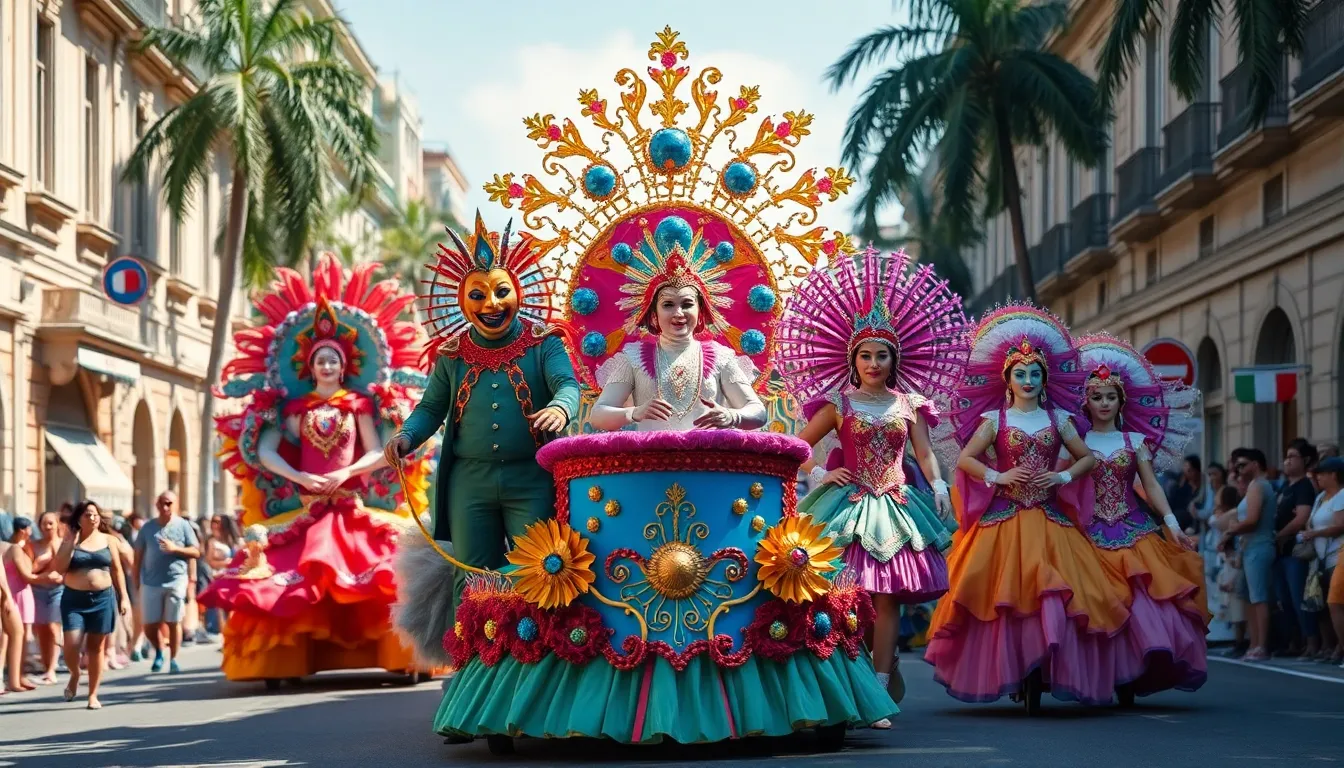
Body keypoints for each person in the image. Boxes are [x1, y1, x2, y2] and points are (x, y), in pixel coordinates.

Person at [202, 254, 433, 684]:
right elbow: (266, 450)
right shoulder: (293, 410)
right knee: (292, 577)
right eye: (320, 360)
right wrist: (301, 478)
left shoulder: (360, 406)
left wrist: (345, 475)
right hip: (308, 506)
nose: (327, 366)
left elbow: (381, 449)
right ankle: (287, 665)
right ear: (308, 367)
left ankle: (402, 658)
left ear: (345, 366)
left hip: (349, 505)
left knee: (382, 575)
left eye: (333, 360)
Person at [778, 248, 968, 719]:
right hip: (844, 507)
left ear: (894, 358)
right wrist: (823, 472)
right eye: (865, 354)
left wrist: (940, 487)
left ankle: (880, 690)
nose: (874, 362)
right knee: (843, 595)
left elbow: (923, 453)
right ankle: (852, 680)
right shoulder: (838, 404)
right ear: (853, 358)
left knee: (887, 600)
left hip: (897, 506)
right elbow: (797, 449)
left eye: (882, 354)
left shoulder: (910, 404)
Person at [388, 214, 580, 671]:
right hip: (468, 486)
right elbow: (430, 409)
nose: (491, 303)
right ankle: (469, 678)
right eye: (478, 294)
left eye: (500, 291)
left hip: (531, 479)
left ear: (519, 292)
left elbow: (567, 385)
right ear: (461, 300)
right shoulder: (451, 356)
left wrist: (562, 408)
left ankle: (540, 674)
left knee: (540, 572)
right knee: (470, 580)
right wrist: (406, 436)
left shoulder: (543, 343)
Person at [925, 305, 1121, 713]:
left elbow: (1086, 458)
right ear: (1007, 379)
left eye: (1035, 374)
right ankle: (1013, 668)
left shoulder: (1060, 419)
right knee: (1001, 599)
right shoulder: (993, 419)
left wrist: (1062, 478)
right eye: (1021, 373)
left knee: (1053, 597)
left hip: (1050, 519)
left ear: (1044, 379)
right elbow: (966, 460)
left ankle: (1045, 669)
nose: (1028, 380)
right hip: (1004, 519)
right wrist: (999, 477)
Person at [1075, 336, 1209, 702]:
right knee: (1096, 601)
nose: (1104, 403)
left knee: (1141, 601)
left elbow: (1151, 487)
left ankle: (1132, 673)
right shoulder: (1076, 439)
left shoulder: (1135, 441)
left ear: (1121, 400)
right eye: (1096, 396)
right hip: (1088, 530)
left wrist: (1173, 525)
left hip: (1133, 528)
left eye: (1110, 396)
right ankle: (1100, 673)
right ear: (1085, 401)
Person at [586, 217, 767, 433]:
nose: (679, 313)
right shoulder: (632, 358)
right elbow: (598, 415)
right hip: (651, 463)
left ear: (701, 310)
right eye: (668, 304)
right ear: (653, 313)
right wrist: (634, 412)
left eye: (687, 304)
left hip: (707, 462)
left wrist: (732, 416)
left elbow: (758, 411)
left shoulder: (721, 358)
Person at [52, 501, 131, 709]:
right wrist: (70, 542)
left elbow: (117, 570)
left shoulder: (109, 540)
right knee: (72, 644)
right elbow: (58, 568)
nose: (93, 518)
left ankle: (93, 695)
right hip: (74, 600)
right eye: (88, 515)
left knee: (97, 648)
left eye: (95, 514)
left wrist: (124, 597)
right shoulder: (70, 540)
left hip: (102, 599)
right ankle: (75, 674)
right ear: (79, 519)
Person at [132, 491, 199, 674]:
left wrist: (175, 548)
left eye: (169, 503)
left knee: (173, 621)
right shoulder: (147, 528)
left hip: (176, 580)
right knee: (149, 624)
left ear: (176, 504)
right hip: (151, 582)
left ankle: (174, 659)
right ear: (156, 505)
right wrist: (136, 581)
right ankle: (160, 650)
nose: (165, 507)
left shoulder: (184, 526)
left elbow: (196, 552)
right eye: (162, 503)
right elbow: (137, 558)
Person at [1220, 448, 1276, 661]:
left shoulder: (1259, 485)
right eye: (1237, 466)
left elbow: (1252, 520)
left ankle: (1261, 645)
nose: (1238, 469)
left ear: (1256, 464)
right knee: (1250, 597)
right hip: (1251, 547)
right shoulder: (1253, 486)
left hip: (1259, 546)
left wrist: (1230, 531)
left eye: (1242, 465)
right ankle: (1254, 643)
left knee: (1259, 598)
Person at [1272, 439, 1320, 656]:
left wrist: (1281, 535)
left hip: (1295, 551)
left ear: (1305, 460)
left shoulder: (1304, 487)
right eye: (1287, 456)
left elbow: (1301, 517)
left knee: (1300, 597)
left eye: (1293, 456)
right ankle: (1294, 642)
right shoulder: (1284, 486)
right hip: (1280, 552)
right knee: (1285, 600)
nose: (1287, 460)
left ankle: (1311, 642)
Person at [1301, 456, 1344, 663]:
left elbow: (1340, 525)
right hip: (1318, 558)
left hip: (1336, 556)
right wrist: (1310, 531)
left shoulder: (1342, 495)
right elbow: (1312, 521)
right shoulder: (1320, 498)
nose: (1318, 477)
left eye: (1322, 473)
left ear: (1334, 475)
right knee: (1321, 604)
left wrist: (1315, 534)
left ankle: (1339, 647)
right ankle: (1328, 646)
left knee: (1335, 603)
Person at [27, 511, 64, 683]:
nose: (47, 527)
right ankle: (46, 666)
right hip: (38, 590)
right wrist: (42, 563)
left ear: (57, 524)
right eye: (44, 524)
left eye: (51, 523)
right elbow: (28, 570)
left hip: (59, 590)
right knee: (41, 630)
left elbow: (69, 569)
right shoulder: (33, 545)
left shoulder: (64, 544)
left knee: (53, 626)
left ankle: (52, 669)